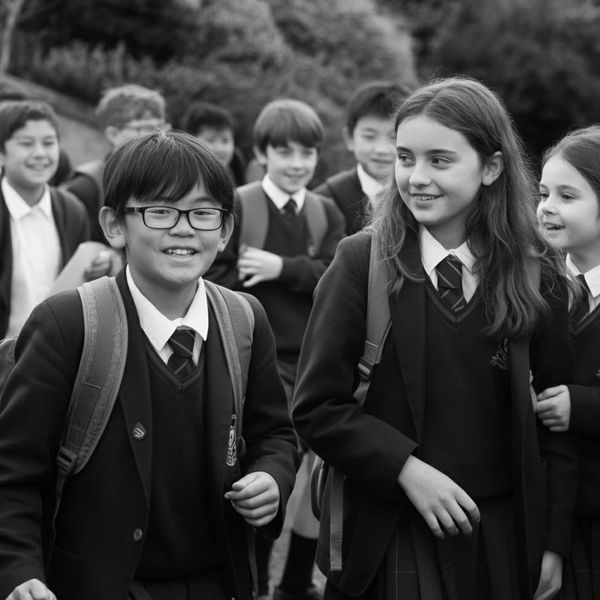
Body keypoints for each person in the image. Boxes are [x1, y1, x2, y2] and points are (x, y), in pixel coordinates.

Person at [292, 77, 577, 600]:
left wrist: (553, 543)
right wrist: (404, 467)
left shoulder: (540, 273)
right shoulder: (362, 262)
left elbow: (556, 428)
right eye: (405, 158)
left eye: (439, 160)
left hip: (500, 539)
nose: (416, 177)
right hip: (390, 537)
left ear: (491, 167)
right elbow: (316, 408)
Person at [0, 131, 300, 600]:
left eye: (203, 213)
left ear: (225, 229)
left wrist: (272, 477)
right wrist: (19, 570)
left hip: (216, 581)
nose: (184, 229)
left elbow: (275, 434)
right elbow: (14, 469)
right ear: (114, 225)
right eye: (160, 211)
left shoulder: (244, 319)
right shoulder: (70, 323)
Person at [207, 98, 345, 600]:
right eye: (285, 152)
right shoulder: (240, 204)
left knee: (316, 471)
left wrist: (281, 268)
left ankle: (294, 582)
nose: (297, 163)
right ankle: (258, 584)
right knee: (268, 467)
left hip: (313, 358)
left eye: (307, 152)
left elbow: (336, 275)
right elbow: (214, 272)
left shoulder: (325, 211)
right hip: (253, 359)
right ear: (262, 153)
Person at [536, 126, 600, 599]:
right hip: (552, 512)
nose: (546, 207)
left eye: (567, 196)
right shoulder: (535, 288)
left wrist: (581, 406)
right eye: (543, 194)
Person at [0, 99, 91, 339]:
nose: (40, 153)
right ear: (2, 154)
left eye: (49, 143)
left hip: (52, 353)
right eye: (26, 143)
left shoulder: (72, 210)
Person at [63, 83, 167, 244]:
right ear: (113, 135)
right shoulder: (87, 188)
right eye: (143, 128)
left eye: (159, 128)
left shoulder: (168, 181)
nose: (156, 136)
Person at [314, 81, 412, 234]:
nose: (381, 149)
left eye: (394, 137)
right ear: (349, 138)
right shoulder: (324, 199)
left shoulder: (421, 194)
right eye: (369, 136)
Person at [180, 100, 246, 186]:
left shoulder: (236, 165)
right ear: (191, 141)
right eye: (210, 140)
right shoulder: (183, 178)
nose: (219, 148)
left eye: (225, 140)